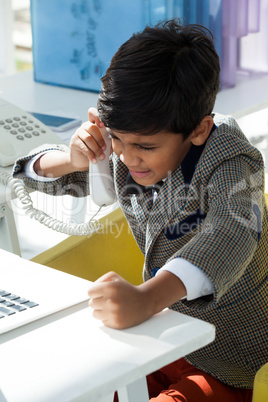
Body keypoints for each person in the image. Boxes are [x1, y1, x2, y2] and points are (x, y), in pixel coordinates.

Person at [13, 19, 268, 402]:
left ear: (199, 130)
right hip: (157, 336)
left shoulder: (233, 160)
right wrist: (71, 158)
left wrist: (146, 298)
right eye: (116, 138)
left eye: (144, 146)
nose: (127, 156)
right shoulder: (128, 148)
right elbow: (35, 178)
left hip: (229, 358)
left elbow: (230, 234)